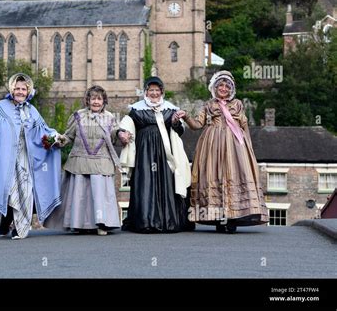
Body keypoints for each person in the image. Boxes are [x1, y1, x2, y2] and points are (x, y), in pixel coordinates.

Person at [0, 73, 62, 239]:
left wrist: (54, 138)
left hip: (25, 160)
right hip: (4, 160)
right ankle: (4, 223)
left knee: (24, 193)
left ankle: (20, 229)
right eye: (17, 88)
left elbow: (43, 132)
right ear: (12, 89)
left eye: (24, 89)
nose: (20, 92)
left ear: (28, 91)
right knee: (8, 193)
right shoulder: (0, 108)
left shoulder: (31, 111)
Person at [176, 70, 269, 233]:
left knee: (233, 175)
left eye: (227, 86)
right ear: (215, 87)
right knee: (214, 175)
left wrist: (248, 149)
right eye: (221, 85)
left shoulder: (237, 104)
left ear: (231, 89)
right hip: (212, 146)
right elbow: (197, 124)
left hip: (235, 145)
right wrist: (185, 117)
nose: (224, 88)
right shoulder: (209, 105)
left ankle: (232, 218)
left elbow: (243, 126)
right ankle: (219, 217)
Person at [44, 86, 122, 235]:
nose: (96, 102)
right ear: (88, 100)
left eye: (99, 99)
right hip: (79, 160)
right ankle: (78, 224)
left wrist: (122, 134)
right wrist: (59, 140)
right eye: (93, 98)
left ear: (104, 101)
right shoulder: (78, 116)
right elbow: (69, 136)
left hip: (101, 161)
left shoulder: (110, 118)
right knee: (80, 193)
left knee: (99, 193)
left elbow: (115, 134)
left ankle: (102, 224)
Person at [119, 76, 193, 233]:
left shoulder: (170, 109)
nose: (154, 93)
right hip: (144, 153)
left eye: (157, 90)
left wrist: (174, 122)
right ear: (146, 92)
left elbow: (179, 131)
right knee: (145, 183)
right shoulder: (136, 109)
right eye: (150, 90)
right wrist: (122, 133)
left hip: (165, 154)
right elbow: (125, 126)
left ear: (162, 92)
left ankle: (169, 222)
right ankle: (146, 221)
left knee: (168, 182)